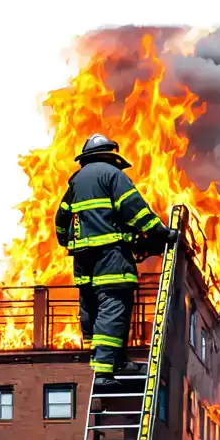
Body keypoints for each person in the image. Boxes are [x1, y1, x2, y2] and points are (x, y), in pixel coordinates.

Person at [55, 133, 176, 390]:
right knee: (114, 307)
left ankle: (117, 360)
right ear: (112, 156)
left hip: (83, 261)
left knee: (95, 308)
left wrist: (66, 241)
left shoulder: (75, 182)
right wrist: (160, 232)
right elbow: (135, 208)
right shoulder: (113, 176)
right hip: (110, 258)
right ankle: (104, 372)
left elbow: (61, 217)